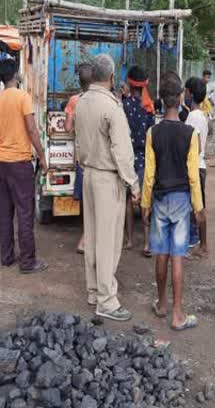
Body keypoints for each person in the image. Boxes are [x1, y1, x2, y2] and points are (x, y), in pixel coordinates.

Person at [74, 53, 141, 322]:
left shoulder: (81, 102)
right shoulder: (112, 107)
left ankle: (94, 291)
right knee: (107, 241)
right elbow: (122, 151)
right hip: (107, 178)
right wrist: (133, 183)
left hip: (88, 173)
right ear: (112, 77)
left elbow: (77, 140)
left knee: (92, 235)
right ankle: (106, 300)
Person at [141, 74, 204, 331]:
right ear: (180, 99)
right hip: (181, 200)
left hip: (159, 198)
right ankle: (178, 315)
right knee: (177, 256)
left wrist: (144, 203)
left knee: (161, 253)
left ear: (161, 100)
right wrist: (198, 208)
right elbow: (193, 176)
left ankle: (162, 303)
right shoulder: (190, 133)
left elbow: (149, 173)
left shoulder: (152, 132)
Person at [0, 58, 48, 274]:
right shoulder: (23, 98)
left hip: (1, 163)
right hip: (20, 163)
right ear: (15, 75)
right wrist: (41, 156)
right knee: (25, 212)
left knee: (5, 212)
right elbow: (32, 130)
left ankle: (7, 257)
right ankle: (28, 262)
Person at [122, 66, 156, 253]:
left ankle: (129, 240)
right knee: (145, 199)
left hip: (127, 158)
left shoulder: (123, 105)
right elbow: (152, 134)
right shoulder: (149, 108)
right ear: (145, 84)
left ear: (129, 83)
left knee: (128, 198)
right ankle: (147, 243)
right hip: (144, 158)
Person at [65, 63, 93, 255]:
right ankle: (88, 238)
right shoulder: (103, 100)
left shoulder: (74, 100)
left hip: (81, 158)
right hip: (99, 160)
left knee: (86, 201)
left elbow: (67, 128)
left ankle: (86, 237)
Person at [184, 76, 209, 256]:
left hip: (195, 166)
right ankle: (197, 239)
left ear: (190, 94)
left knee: (197, 205)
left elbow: (197, 144)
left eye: (186, 91)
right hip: (199, 165)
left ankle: (201, 243)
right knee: (196, 204)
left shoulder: (193, 117)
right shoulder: (200, 115)